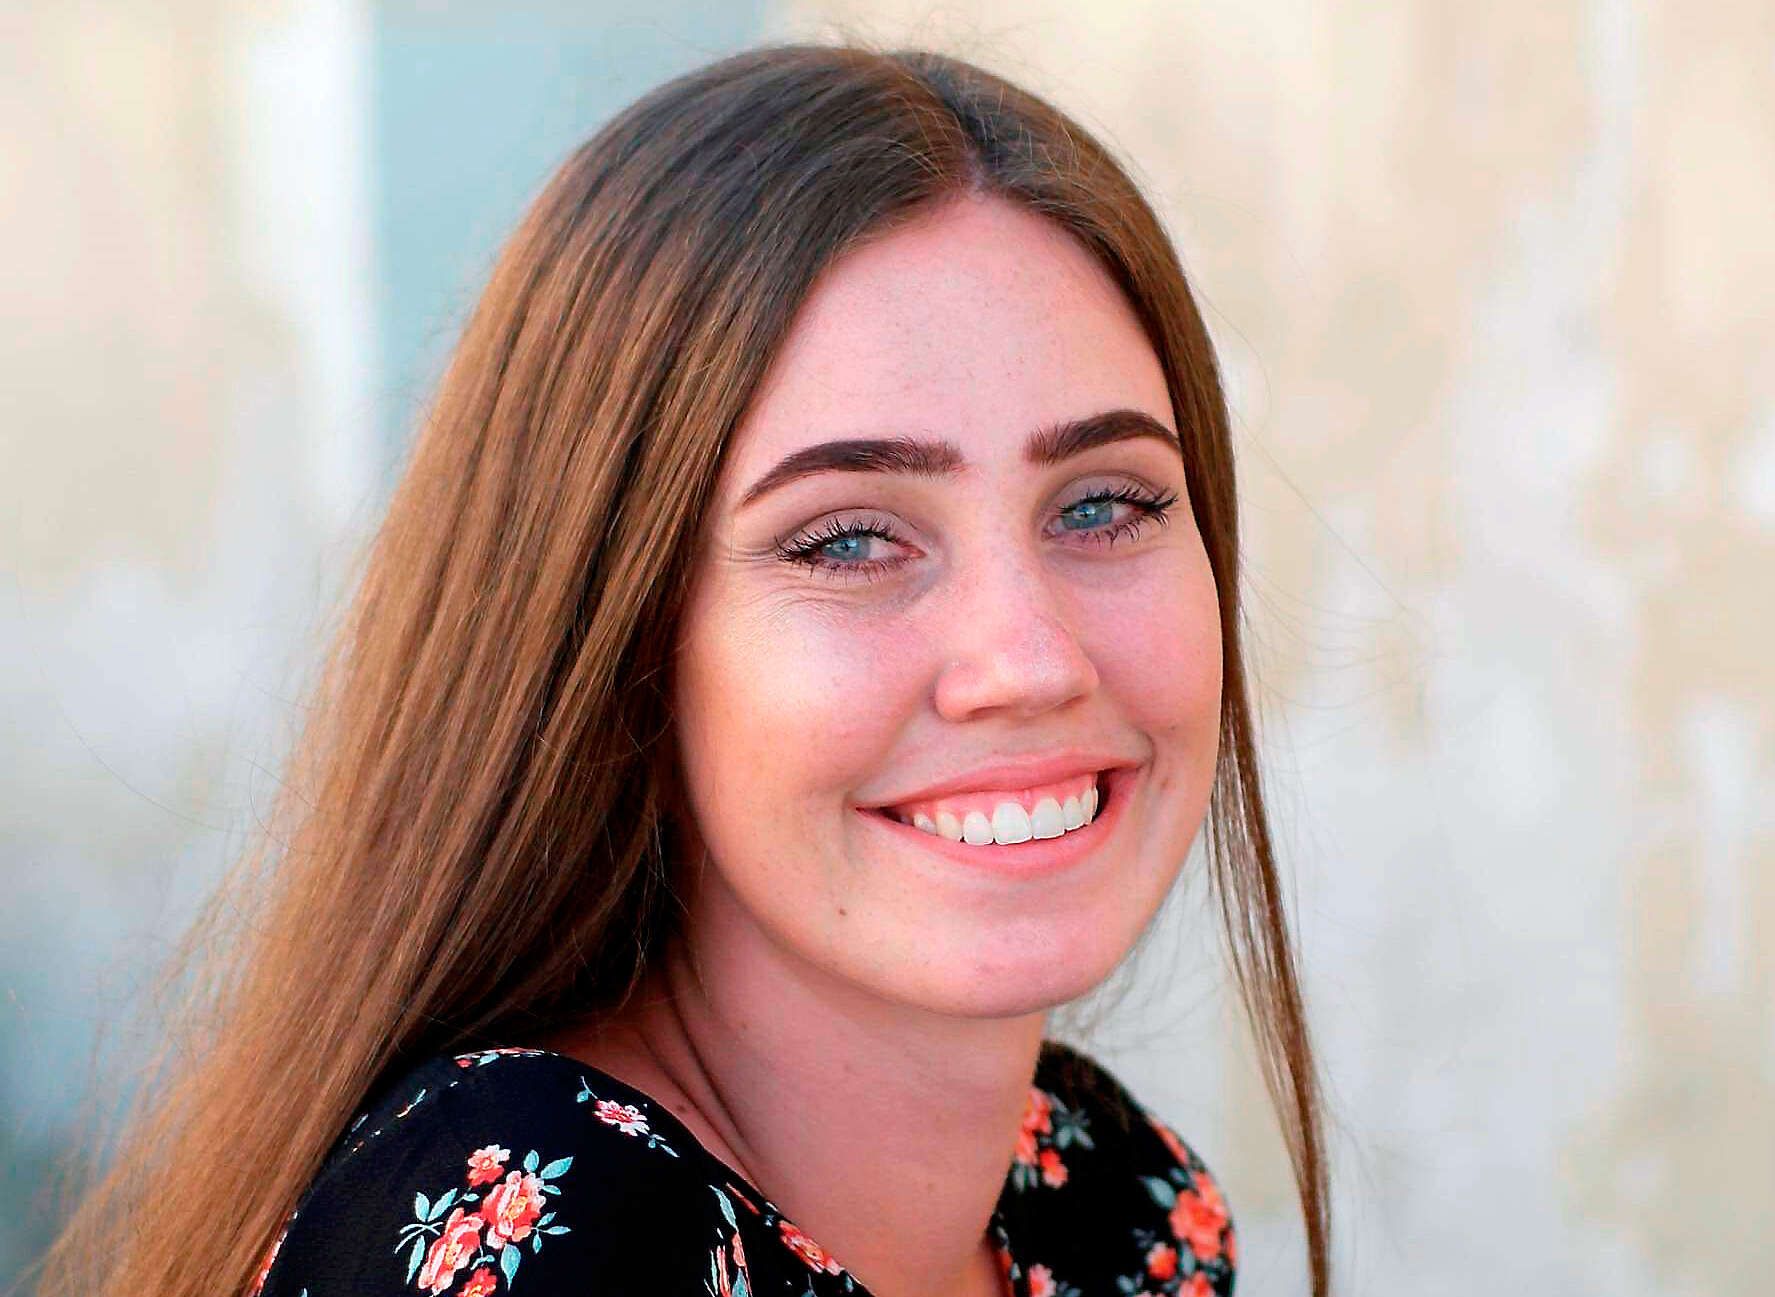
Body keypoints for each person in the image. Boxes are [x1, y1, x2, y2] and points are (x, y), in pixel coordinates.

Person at [36, 42, 1328, 1297]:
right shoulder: (550, 1233)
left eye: (1104, 505)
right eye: (848, 538)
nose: (1029, 661)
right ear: (617, 645)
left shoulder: (1110, 1204)